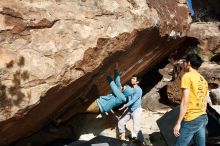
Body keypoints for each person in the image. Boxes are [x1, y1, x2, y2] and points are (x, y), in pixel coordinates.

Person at [173, 54, 209, 146]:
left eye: (184, 62)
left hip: (192, 118)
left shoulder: (187, 76)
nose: (183, 64)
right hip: (203, 116)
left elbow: (185, 101)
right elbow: (205, 100)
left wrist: (178, 123)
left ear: (189, 63)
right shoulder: (202, 79)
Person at [117, 74, 143, 142]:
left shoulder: (139, 90)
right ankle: (122, 138)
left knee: (136, 127)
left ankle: (138, 142)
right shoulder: (130, 89)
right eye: (131, 78)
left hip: (136, 109)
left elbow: (133, 100)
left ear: (137, 82)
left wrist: (125, 105)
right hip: (130, 109)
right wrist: (121, 90)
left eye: (133, 79)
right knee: (121, 122)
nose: (131, 79)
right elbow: (125, 96)